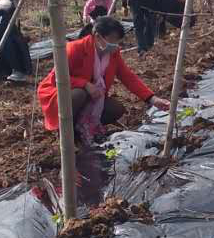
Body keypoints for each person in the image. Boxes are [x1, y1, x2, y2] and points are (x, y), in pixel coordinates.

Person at [37, 16, 170, 144]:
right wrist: (85, 84)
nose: (114, 45)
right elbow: (57, 78)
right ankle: (67, 134)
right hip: (59, 94)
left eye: (117, 41)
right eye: (111, 40)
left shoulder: (112, 53)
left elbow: (127, 76)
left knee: (116, 109)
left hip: (92, 96)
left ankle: (82, 128)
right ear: (97, 36)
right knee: (79, 94)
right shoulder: (75, 49)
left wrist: (152, 99)